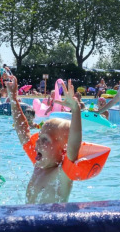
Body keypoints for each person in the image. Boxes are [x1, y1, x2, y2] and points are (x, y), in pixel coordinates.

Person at [5, 74, 83, 204]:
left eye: (45, 139)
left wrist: (76, 110)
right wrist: (13, 98)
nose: (37, 142)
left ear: (63, 149)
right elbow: (23, 132)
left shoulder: (62, 175)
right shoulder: (39, 165)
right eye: (39, 137)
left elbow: (74, 145)